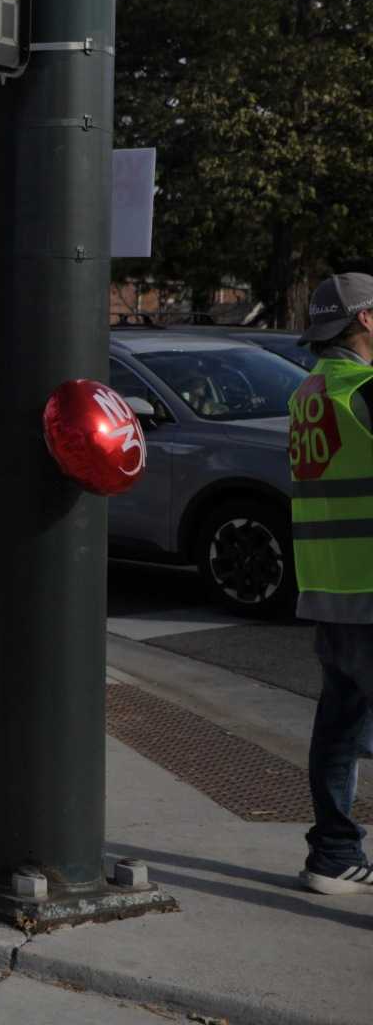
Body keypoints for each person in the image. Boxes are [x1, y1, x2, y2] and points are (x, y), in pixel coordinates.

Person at [288, 271, 373, 895]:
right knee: (345, 724)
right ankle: (335, 854)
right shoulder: (366, 388)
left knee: (341, 722)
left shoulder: (310, 392)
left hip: (329, 584)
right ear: (366, 319)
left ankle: (334, 855)